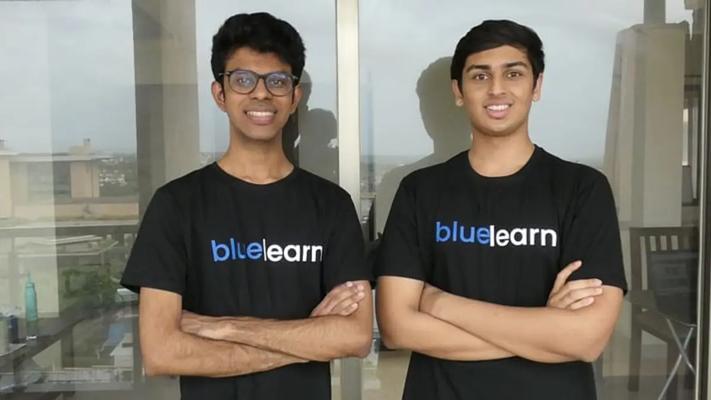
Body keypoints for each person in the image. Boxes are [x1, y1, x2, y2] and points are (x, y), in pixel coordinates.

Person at [120, 12, 372, 400]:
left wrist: (223, 327)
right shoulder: (176, 205)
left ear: (294, 97)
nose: (261, 94)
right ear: (220, 94)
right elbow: (161, 353)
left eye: (277, 81)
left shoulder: (331, 205)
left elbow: (355, 337)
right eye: (242, 80)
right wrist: (308, 337)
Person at [375, 19, 626, 400]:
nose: (496, 88)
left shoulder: (582, 189)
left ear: (536, 86)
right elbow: (397, 328)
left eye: (513, 73)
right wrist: (546, 330)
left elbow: (587, 339)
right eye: (480, 76)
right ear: (458, 91)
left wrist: (439, 303)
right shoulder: (420, 191)